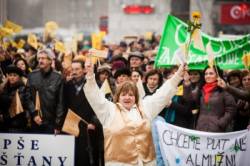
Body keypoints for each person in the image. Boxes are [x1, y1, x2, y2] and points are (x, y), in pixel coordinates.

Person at [83, 56, 185, 165]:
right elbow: (95, 97)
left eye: (131, 95)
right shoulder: (109, 111)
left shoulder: (145, 108)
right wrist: (90, 75)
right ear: (118, 97)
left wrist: (178, 75)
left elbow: (162, 94)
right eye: (124, 94)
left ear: (135, 97)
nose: (127, 97)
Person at [64, 60, 104, 166]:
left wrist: (94, 122)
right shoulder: (67, 85)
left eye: (77, 69)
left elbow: (99, 105)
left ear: (84, 70)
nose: (74, 72)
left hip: (88, 126)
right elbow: (63, 105)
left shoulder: (93, 84)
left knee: (86, 158)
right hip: (71, 126)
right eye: (72, 69)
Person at [185, 65, 236, 132]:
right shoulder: (201, 89)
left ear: (217, 75)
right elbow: (189, 99)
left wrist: (222, 123)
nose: (208, 76)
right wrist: (187, 83)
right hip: (200, 128)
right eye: (206, 74)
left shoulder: (224, 90)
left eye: (211, 73)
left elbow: (232, 109)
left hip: (217, 130)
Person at [26, 48, 65, 134]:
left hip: (51, 123)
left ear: (50, 61)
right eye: (39, 58)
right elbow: (28, 97)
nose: (40, 60)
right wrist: (34, 114)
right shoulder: (32, 75)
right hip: (35, 120)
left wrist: (58, 124)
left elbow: (61, 102)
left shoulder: (58, 77)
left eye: (43, 58)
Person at [0, 65, 32, 132]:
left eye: (14, 75)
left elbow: (17, 108)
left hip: (17, 125)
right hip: (4, 125)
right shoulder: (3, 89)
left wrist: (3, 117)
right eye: (10, 75)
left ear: (19, 77)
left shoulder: (23, 89)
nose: (12, 77)